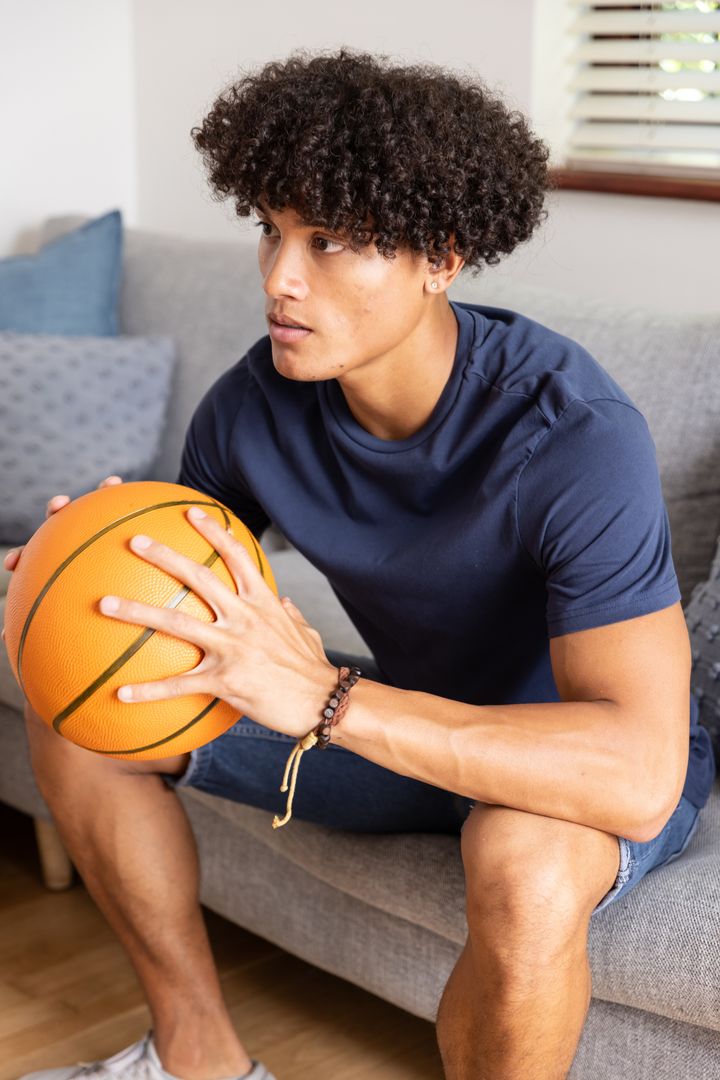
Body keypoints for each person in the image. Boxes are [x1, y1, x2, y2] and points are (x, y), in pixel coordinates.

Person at [4, 47, 715, 1080]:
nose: (280, 278)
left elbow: (640, 772)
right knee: (71, 688)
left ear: (442, 256)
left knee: (523, 862)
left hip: (561, 760)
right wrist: (85, 567)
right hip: (402, 727)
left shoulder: (571, 432)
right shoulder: (255, 406)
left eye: (330, 241)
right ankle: (198, 1056)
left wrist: (331, 701)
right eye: (272, 230)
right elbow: (190, 586)